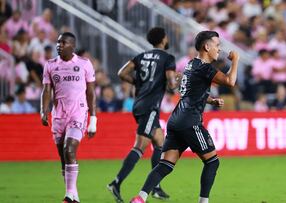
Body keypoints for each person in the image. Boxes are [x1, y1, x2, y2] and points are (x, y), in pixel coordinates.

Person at [130, 30, 239, 203]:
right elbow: (230, 81)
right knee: (212, 162)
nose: (219, 49)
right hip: (190, 122)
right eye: (217, 45)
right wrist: (236, 61)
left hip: (176, 121)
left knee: (165, 165)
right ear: (207, 46)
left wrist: (211, 101)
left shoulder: (190, 65)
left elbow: (189, 93)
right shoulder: (205, 67)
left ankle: (140, 198)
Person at [107, 27, 177, 203]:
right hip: (150, 106)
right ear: (162, 39)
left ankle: (157, 187)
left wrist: (138, 83)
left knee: (160, 142)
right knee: (140, 146)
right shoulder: (168, 59)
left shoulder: (141, 56)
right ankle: (116, 182)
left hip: (139, 103)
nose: (167, 39)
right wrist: (175, 82)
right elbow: (171, 84)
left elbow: (122, 73)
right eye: (166, 36)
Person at [40, 32, 97, 203]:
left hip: (78, 113)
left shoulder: (84, 64)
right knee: (63, 157)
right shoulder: (50, 65)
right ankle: (74, 196)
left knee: (69, 150)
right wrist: (44, 111)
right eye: (58, 42)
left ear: (72, 45)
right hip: (59, 116)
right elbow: (46, 90)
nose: (59, 45)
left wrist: (93, 119)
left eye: (63, 43)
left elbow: (91, 92)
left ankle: (68, 196)